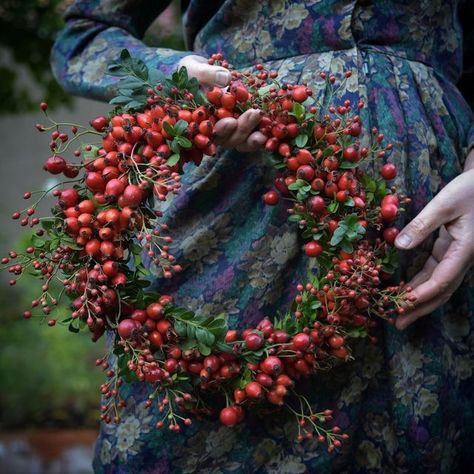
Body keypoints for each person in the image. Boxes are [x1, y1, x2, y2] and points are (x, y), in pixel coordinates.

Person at [51, 1, 474, 472]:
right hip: (237, 195)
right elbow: (85, 37)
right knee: (185, 431)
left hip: (438, 215)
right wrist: (176, 75)